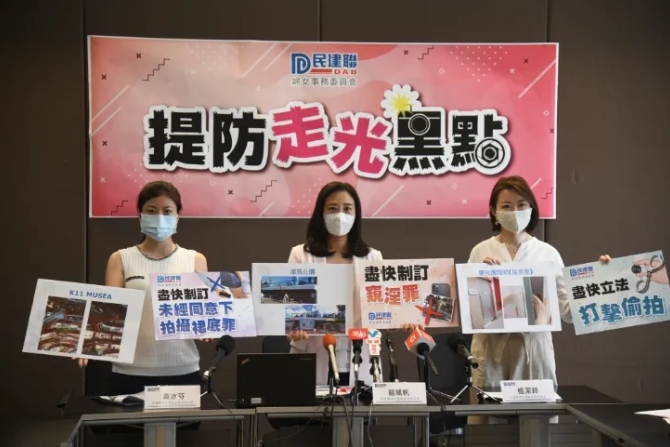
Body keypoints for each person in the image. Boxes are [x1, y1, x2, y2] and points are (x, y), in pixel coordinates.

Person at [466, 176, 596, 424]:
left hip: (533, 354)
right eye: (506, 206)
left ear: (532, 208)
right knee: (488, 432)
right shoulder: (480, 251)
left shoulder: (547, 253)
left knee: (537, 430)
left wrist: (599, 278)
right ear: (493, 211)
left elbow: (568, 311)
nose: (515, 212)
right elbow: (471, 311)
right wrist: (483, 281)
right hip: (492, 355)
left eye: (522, 204)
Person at [75, 181, 210, 396]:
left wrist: (207, 327)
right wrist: (88, 341)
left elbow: (203, 312)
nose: (159, 217)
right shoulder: (120, 259)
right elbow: (109, 313)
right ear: (140, 216)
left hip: (183, 370)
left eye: (167, 211)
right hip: (129, 373)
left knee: (184, 422)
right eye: (151, 211)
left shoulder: (195, 259)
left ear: (178, 216)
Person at [286, 181, 383, 387]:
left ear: (356, 214)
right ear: (320, 213)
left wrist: (403, 318)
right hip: (313, 351)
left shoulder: (372, 257)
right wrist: (293, 327)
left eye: (347, 208)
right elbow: (290, 306)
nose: (340, 215)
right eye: (332, 208)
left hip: (360, 353)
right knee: (310, 407)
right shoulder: (300, 254)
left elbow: (382, 308)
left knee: (360, 406)